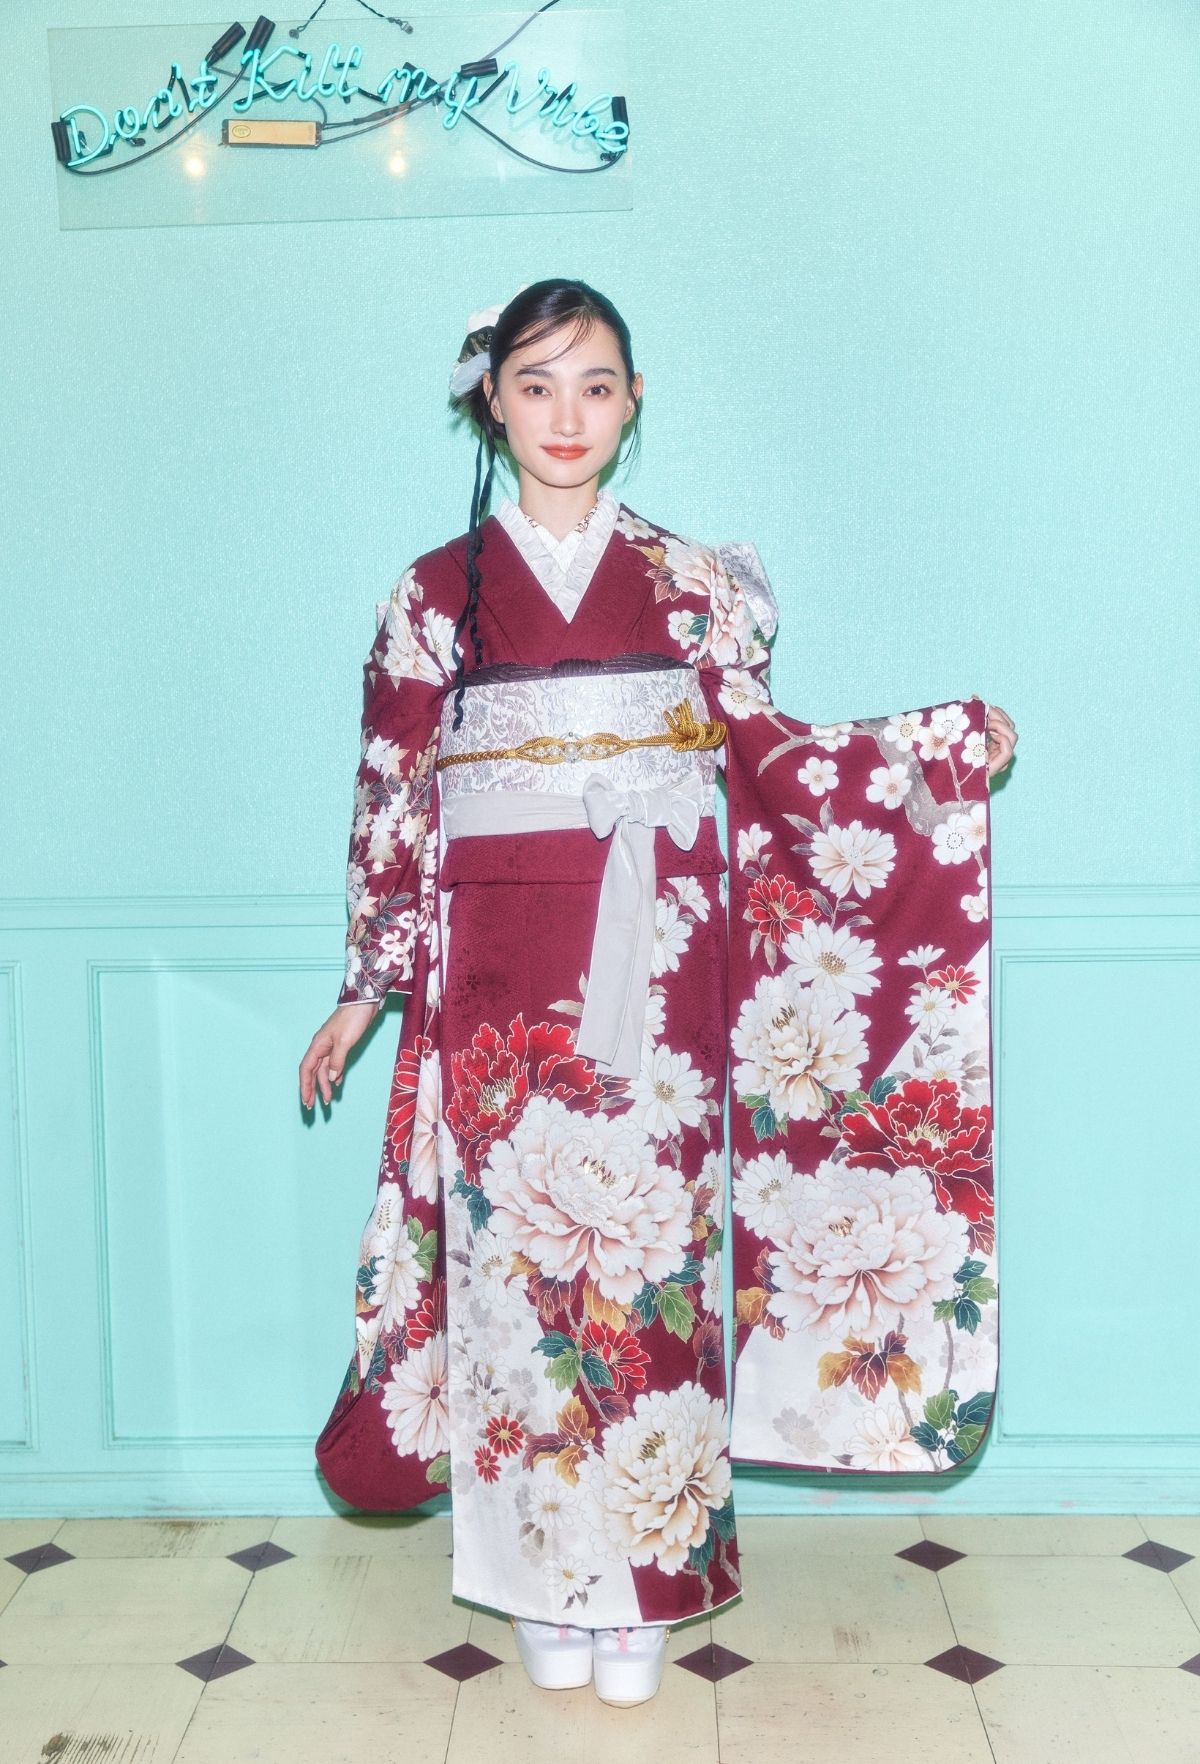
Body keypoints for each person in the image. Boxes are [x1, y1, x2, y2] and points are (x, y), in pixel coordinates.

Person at [299, 278, 1019, 1707]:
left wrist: (931, 757)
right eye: (536, 384)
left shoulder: (699, 585)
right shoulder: (432, 598)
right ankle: (535, 1585)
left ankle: (646, 1588)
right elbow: (392, 798)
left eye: (597, 385)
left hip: (665, 966)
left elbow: (770, 759)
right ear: (490, 402)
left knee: (651, 1271)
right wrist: (368, 987)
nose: (566, 415)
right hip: (497, 982)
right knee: (519, 1286)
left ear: (634, 405)